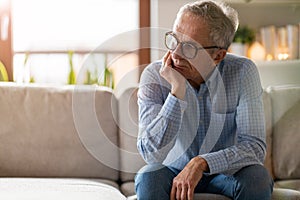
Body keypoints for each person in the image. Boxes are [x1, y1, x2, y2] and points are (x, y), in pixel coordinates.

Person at [135, 0, 273, 200]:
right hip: (173, 173)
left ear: (218, 55)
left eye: (189, 47)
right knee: (148, 177)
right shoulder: (155, 75)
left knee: (257, 177)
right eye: (174, 39)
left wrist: (201, 163)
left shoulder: (243, 71)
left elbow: (254, 147)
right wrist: (177, 92)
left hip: (226, 174)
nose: (175, 54)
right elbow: (150, 154)